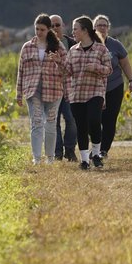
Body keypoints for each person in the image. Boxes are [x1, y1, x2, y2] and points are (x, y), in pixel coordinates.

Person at [52, 15, 112, 170]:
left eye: (75, 29)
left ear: (85, 30)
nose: (72, 32)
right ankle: (85, 160)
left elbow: (108, 70)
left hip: (95, 92)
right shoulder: (73, 50)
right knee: (81, 127)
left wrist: (96, 67)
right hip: (77, 94)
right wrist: (59, 62)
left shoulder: (101, 49)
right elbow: (68, 71)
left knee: (94, 121)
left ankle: (96, 154)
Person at [16, 13, 66, 165]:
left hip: (54, 89)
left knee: (51, 123)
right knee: (36, 122)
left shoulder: (58, 47)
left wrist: (58, 62)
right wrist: (18, 93)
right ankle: (36, 158)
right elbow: (21, 71)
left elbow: (67, 70)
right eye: (37, 29)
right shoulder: (27, 47)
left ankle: (50, 158)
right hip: (33, 90)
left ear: (49, 29)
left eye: (42, 30)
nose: (39, 32)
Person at [94, 14, 132, 158]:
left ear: (108, 28)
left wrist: (131, 81)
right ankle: (96, 146)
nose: (102, 28)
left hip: (114, 86)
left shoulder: (115, 45)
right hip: (94, 88)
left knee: (110, 119)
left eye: (104, 25)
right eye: (99, 25)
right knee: (94, 119)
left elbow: (125, 63)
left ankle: (104, 150)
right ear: (93, 28)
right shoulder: (89, 44)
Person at [49, 15, 77, 162]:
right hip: (52, 89)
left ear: (63, 26)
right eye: (51, 25)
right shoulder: (45, 45)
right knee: (54, 122)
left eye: (57, 25)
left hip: (70, 89)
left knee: (72, 119)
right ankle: (57, 152)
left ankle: (70, 150)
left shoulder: (73, 44)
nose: (54, 28)